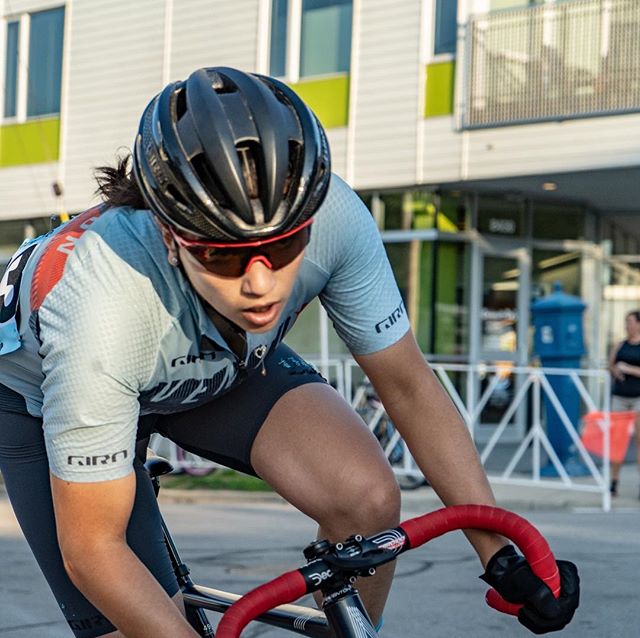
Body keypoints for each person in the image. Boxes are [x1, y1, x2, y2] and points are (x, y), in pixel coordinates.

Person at [0, 67, 579, 637]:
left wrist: (501, 553)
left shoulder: (335, 218)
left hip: (207, 355)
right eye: (224, 257)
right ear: (173, 239)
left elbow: (407, 386)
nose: (261, 284)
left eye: (285, 247)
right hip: (38, 394)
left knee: (366, 500)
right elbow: (94, 549)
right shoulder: (101, 305)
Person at [608, 310, 640, 497]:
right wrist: (615, 370)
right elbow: (611, 364)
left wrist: (629, 369)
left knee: (639, 441)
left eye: (630, 322)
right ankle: (614, 481)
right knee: (617, 441)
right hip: (620, 397)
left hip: (638, 398)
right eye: (625, 322)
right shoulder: (620, 345)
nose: (627, 325)